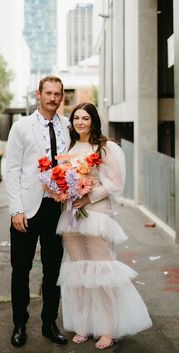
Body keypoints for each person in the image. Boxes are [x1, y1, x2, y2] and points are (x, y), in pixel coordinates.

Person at [56, 102, 152, 349]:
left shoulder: (104, 147)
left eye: (85, 118)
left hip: (97, 213)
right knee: (79, 271)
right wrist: (62, 191)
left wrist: (88, 196)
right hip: (70, 215)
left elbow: (115, 184)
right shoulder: (68, 147)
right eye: (76, 118)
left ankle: (108, 329)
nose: (79, 122)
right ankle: (85, 325)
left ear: (93, 121)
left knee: (102, 271)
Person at [5, 76, 70, 347]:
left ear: (62, 96)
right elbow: (11, 170)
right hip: (28, 210)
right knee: (20, 269)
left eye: (57, 94)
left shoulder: (68, 126)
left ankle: (49, 323)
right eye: (48, 93)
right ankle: (19, 323)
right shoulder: (21, 127)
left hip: (57, 208)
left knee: (53, 270)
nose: (53, 98)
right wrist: (16, 209)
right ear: (38, 94)